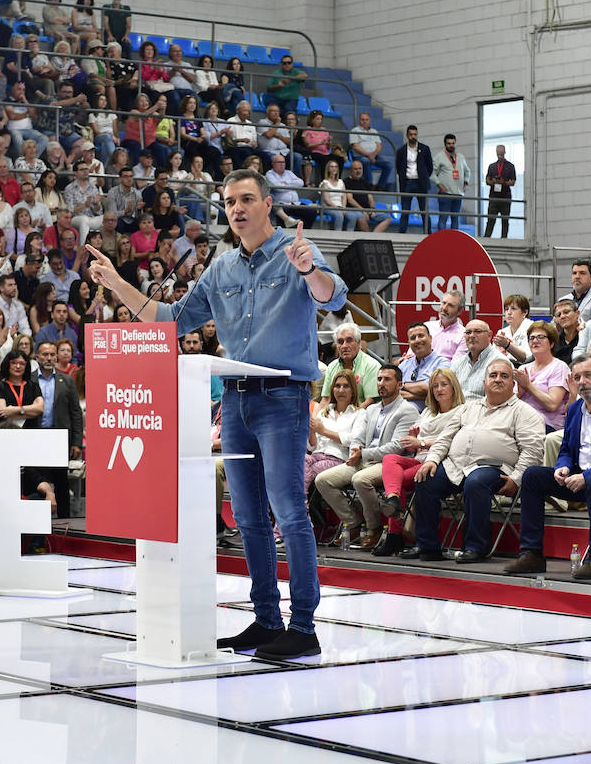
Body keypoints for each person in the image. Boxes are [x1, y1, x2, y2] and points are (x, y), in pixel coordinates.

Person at [84, 168, 348, 660]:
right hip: (234, 399)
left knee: (289, 512)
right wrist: (118, 282)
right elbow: (169, 319)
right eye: (229, 202)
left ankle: (304, 628)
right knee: (247, 517)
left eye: (247, 199)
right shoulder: (221, 268)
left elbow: (333, 297)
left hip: (282, 399)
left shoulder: (296, 253)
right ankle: (267, 620)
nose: (237, 209)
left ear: (268, 204)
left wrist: (310, 269)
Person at [506, 354, 591, 578]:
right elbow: (567, 449)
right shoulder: (576, 409)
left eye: (588, 375)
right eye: (577, 377)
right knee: (532, 476)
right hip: (580, 477)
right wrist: (563, 467)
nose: (582, 381)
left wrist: (588, 476)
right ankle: (532, 554)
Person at [408, 359, 542, 561]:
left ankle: (475, 547)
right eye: (493, 375)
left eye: (504, 376)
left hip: (494, 468)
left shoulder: (524, 412)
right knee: (426, 478)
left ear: (513, 383)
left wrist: (517, 478)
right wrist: (432, 460)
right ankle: (427, 546)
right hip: (456, 466)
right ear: (484, 382)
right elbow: (445, 438)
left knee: (476, 481)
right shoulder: (467, 408)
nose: (498, 380)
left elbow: (532, 451)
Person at [314, 364, 417, 551]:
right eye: (379, 379)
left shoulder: (407, 411)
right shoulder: (371, 410)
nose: (381, 384)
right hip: (363, 459)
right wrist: (355, 451)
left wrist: (363, 453)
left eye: (387, 379)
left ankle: (374, 528)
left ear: (400, 384)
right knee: (323, 480)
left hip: (388, 463)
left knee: (360, 480)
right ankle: (353, 523)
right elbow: (357, 437)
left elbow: (396, 448)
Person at [24, 341, 82, 517]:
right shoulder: (29, 380)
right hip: (34, 438)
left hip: (59, 438)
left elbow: (76, 413)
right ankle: (38, 525)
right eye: (45, 354)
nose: (49, 358)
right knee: (36, 481)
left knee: (61, 482)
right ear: (37, 357)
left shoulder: (67, 381)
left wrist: (76, 442)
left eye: (52, 355)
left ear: (57, 357)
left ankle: (65, 523)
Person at [305, 372, 364, 515]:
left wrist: (323, 431)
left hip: (339, 459)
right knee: (296, 464)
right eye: (337, 386)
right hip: (317, 455)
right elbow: (312, 446)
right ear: (332, 389)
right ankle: (301, 513)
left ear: (353, 390)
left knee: (304, 473)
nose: (341, 390)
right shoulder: (323, 413)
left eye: (346, 386)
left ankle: (301, 513)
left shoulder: (359, 413)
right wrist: (312, 431)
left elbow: (353, 440)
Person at [515, 321, 570, 431]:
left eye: (541, 337)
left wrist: (528, 386)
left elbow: (552, 405)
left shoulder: (559, 367)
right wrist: (519, 393)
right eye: (532, 338)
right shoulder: (523, 369)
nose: (535, 341)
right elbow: (510, 403)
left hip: (546, 424)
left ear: (551, 343)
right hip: (521, 421)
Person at [318, 321, 380, 406]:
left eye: (349, 340)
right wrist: (319, 417)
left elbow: (370, 401)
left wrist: (349, 418)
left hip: (361, 415)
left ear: (358, 343)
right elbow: (325, 399)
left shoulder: (372, 365)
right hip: (334, 415)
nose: (344, 346)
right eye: (340, 342)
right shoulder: (331, 366)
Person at [451, 318, 502, 401]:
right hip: (456, 411)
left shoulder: (500, 362)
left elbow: (498, 402)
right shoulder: (457, 364)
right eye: (468, 332)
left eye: (477, 331)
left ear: (489, 335)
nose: (471, 336)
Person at [394, 125, 433, 235]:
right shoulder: (401, 150)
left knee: (424, 211)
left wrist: (424, 177)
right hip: (407, 182)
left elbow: (430, 167)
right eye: (411, 134)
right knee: (405, 211)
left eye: (415, 134)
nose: (413, 137)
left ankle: (428, 234)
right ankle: (402, 234)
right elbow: (399, 168)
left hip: (421, 183)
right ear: (407, 136)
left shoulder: (425, 149)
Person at [429, 134, 469, 231]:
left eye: (453, 143)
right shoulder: (439, 157)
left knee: (455, 220)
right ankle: (441, 242)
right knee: (443, 219)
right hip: (445, 194)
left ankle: (454, 243)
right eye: (449, 143)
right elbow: (431, 173)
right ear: (445, 144)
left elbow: (467, 171)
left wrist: (465, 183)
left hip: (458, 193)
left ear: (455, 144)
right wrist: (440, 185)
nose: (451, 145)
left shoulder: (460, 157)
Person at [483, 144, 516, 239]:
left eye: (501, 153)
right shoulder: (492, 166)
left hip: (505, 197)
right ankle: (487, 238)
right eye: (498, 154)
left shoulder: (510, 166)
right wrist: (493, 182)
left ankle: (504, 239)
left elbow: (513, 182)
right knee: (490, 220)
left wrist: (504, 182)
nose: (500, 156)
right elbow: (487, 180)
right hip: (494, 197)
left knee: (505, 220)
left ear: (505, 152)